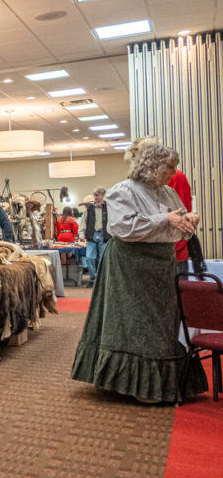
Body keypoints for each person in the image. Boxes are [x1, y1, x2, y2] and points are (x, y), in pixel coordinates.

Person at [71, 136, 206, 404]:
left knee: (163, 319)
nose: (173, 173)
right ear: (154, 165)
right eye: (169, 167)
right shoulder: (123, 190)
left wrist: (186, 220)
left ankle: (155, 383)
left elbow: (171, 222)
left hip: (161, 263)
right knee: (132, 321)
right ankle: (134, 385)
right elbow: (122, 228)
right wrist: (164, 218)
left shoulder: (167, 192)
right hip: (130, 266)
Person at [167, 165, 193, 274]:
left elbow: (180, 211)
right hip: (165, 246)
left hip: (173, 245)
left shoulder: (175, 177)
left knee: (177, 287)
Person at [84, 188, 110, 287]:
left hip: (104, 235)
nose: (95, 197)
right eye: (94, 195)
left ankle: (101, 280)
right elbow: (85, 221)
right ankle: (92, 279)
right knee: (90, 257)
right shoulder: (89, 207)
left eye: (97, 195)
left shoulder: (108, 206)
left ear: (103, 196)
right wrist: (82, 234)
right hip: (92, 234)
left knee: (102, 259)